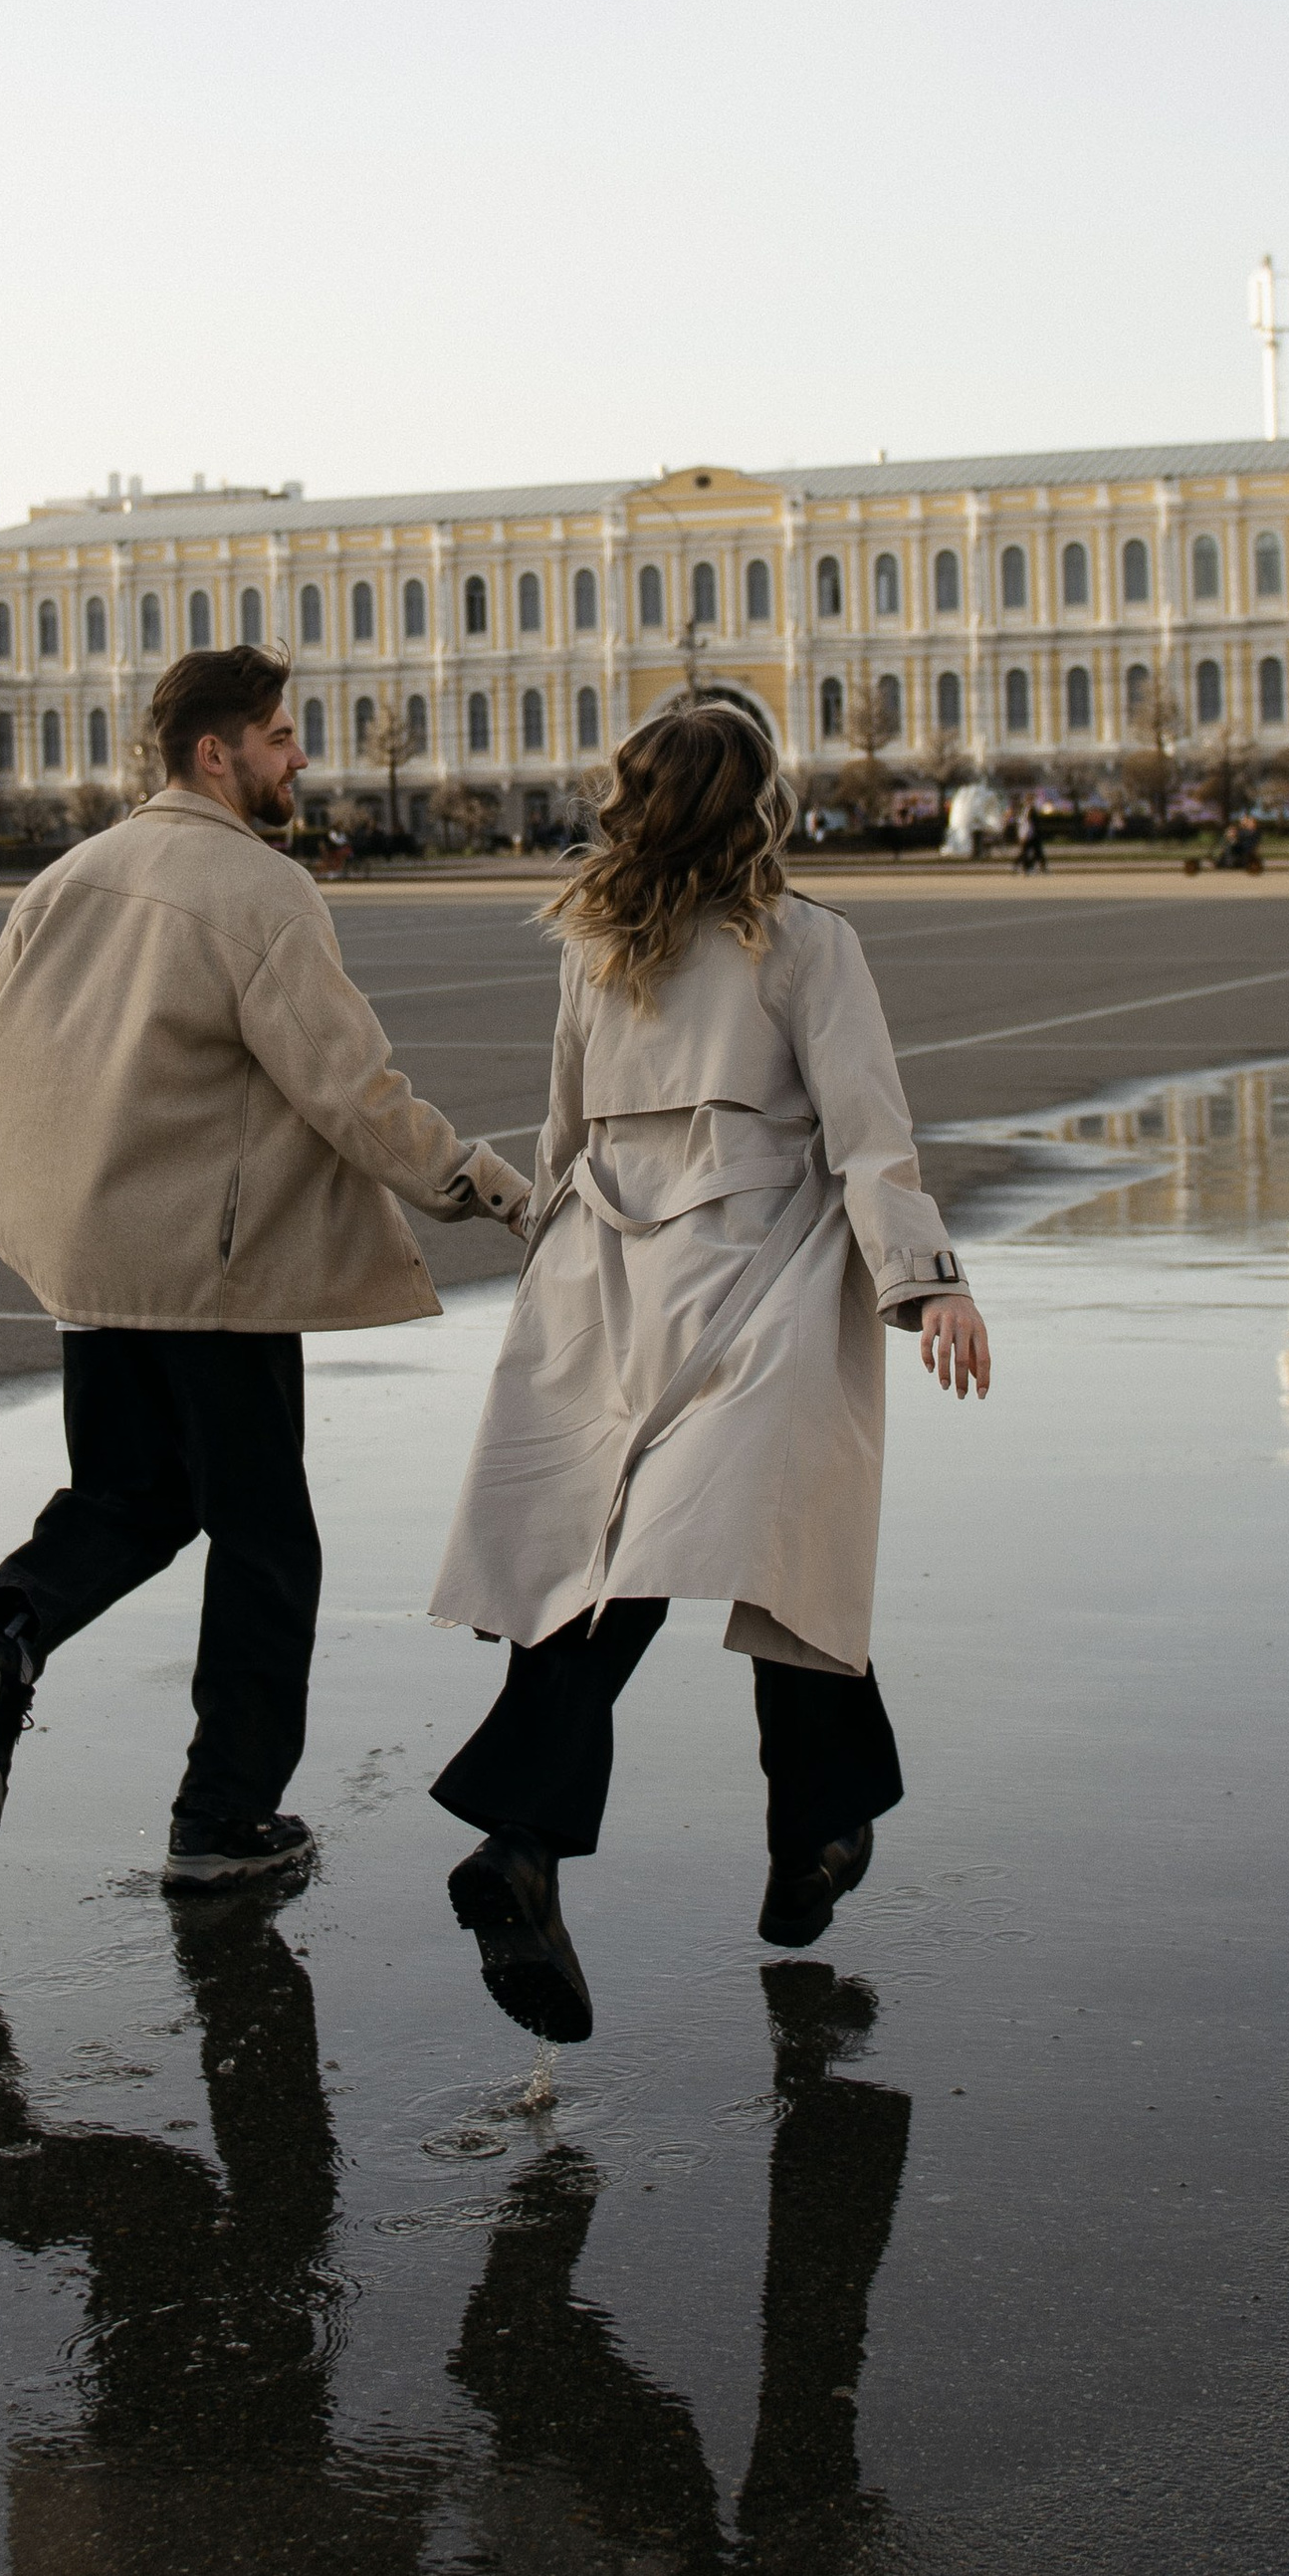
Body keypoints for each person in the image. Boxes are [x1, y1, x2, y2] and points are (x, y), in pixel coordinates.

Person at [0, 645, 533, 1893]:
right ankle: (222, 1819)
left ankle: (5, 1644)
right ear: (218, 754)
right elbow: (350, 1088)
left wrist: (60, 1195)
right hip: (212, 1272)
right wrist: (482, 1185)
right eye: (279, 734)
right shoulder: (258, 891)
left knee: (127, 1500)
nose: (298, 755)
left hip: (98, 1267)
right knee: (265, 1545)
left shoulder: (65, 880)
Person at [429, 698, 989, 2039]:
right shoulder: (807, 946)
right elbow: (868, 1135)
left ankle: (590, 1842)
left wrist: (552, 1290)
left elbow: (564, 1135)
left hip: (611, 1274)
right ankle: (800, 1832)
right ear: (761, 807)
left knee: (611, 1567)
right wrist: (927, 1281)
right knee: (770, 1539)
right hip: (757, 1272)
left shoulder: (593, 951)